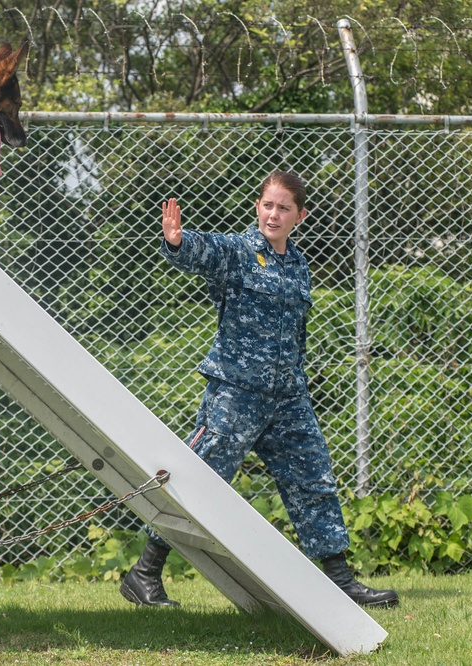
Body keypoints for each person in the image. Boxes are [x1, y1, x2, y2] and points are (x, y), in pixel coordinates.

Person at [119, 171, 399, 609]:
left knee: (314, 479)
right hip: (236, 394)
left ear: (299, 216)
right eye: (268, 204)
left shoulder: (299, 265)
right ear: (258, 207)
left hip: (288, 397)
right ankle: (145, 573)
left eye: (284, 207)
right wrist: (176, 241)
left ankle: (340, 580)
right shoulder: (238, 252)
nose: (274, 214)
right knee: (201, 480)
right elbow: (202, 252)